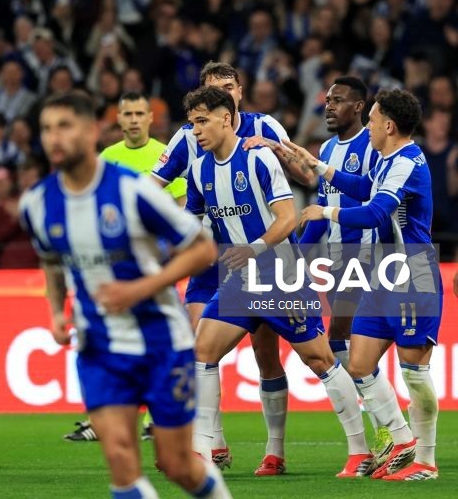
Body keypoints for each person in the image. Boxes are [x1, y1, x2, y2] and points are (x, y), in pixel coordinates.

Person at [20, 91, 230, 499]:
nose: (54, 138)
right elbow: (50, 260)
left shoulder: (134, 190)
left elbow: (202, 248)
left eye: (64, 126)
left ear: (90, 130)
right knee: (120, 461)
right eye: (46, 129)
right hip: (100, 347)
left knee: (176, 465)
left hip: (161, 342)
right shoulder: (37, 203)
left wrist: (139, 288)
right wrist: (56, 312)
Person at [183, 86, 372, 478]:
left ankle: (360, 450)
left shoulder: (257, 160)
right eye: (191, 123)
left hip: (279, 276)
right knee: (202, 350)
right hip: (239, 279)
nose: (196, 130)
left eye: (202, 121)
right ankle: (201, 450)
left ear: (225, 118)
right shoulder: (199, 169)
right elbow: (192, 222)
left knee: (319, 359)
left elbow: (288, 218)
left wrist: (253, 248)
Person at [152, 61, 313, 475]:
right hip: (211, 258)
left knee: (266, 355)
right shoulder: (190, 135)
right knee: (200, 345)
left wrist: (280, 152)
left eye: (229, 87)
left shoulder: (267, 128)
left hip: (261, 259)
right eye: (213, 88)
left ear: (239, 92)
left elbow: (304, 176)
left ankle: (274, 450)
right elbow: (156, 183)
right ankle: (213, 445)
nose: (223, 93)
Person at [296, 88, 443, 480]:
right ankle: (402, 441)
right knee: (359, 364)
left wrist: (323, 210)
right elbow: (364, 189)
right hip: (382, 274)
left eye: (375, 119)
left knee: (413, 371)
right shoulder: (386, 158)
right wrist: (321, 168)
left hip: (414, 273)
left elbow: (378, 213)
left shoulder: (407, 163)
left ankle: (426, 461)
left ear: (389, 126)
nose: (371, 126)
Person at [64, 90, 186, 442]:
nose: (133, 119)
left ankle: (154, 417)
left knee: (155, 340)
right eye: (127, 114)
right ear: (117, 120)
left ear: (151, 118)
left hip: (154, 266)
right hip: (116, 266)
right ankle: (102, 418)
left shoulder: (165, 155)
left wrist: (164, 245)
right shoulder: (107, 157)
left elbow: (180, 204)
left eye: (139, 113)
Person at [297, 76, 393, 459]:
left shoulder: (370, 146)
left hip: (366, 257)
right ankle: (386, 426)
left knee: (345, 341)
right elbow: (320, 214)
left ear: (358, 107)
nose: (329, 106)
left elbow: (372, 202)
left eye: (338, 100)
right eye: (327, 100)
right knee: (344, 345)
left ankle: (389, 431)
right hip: (336, 260)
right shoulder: (326, 150)